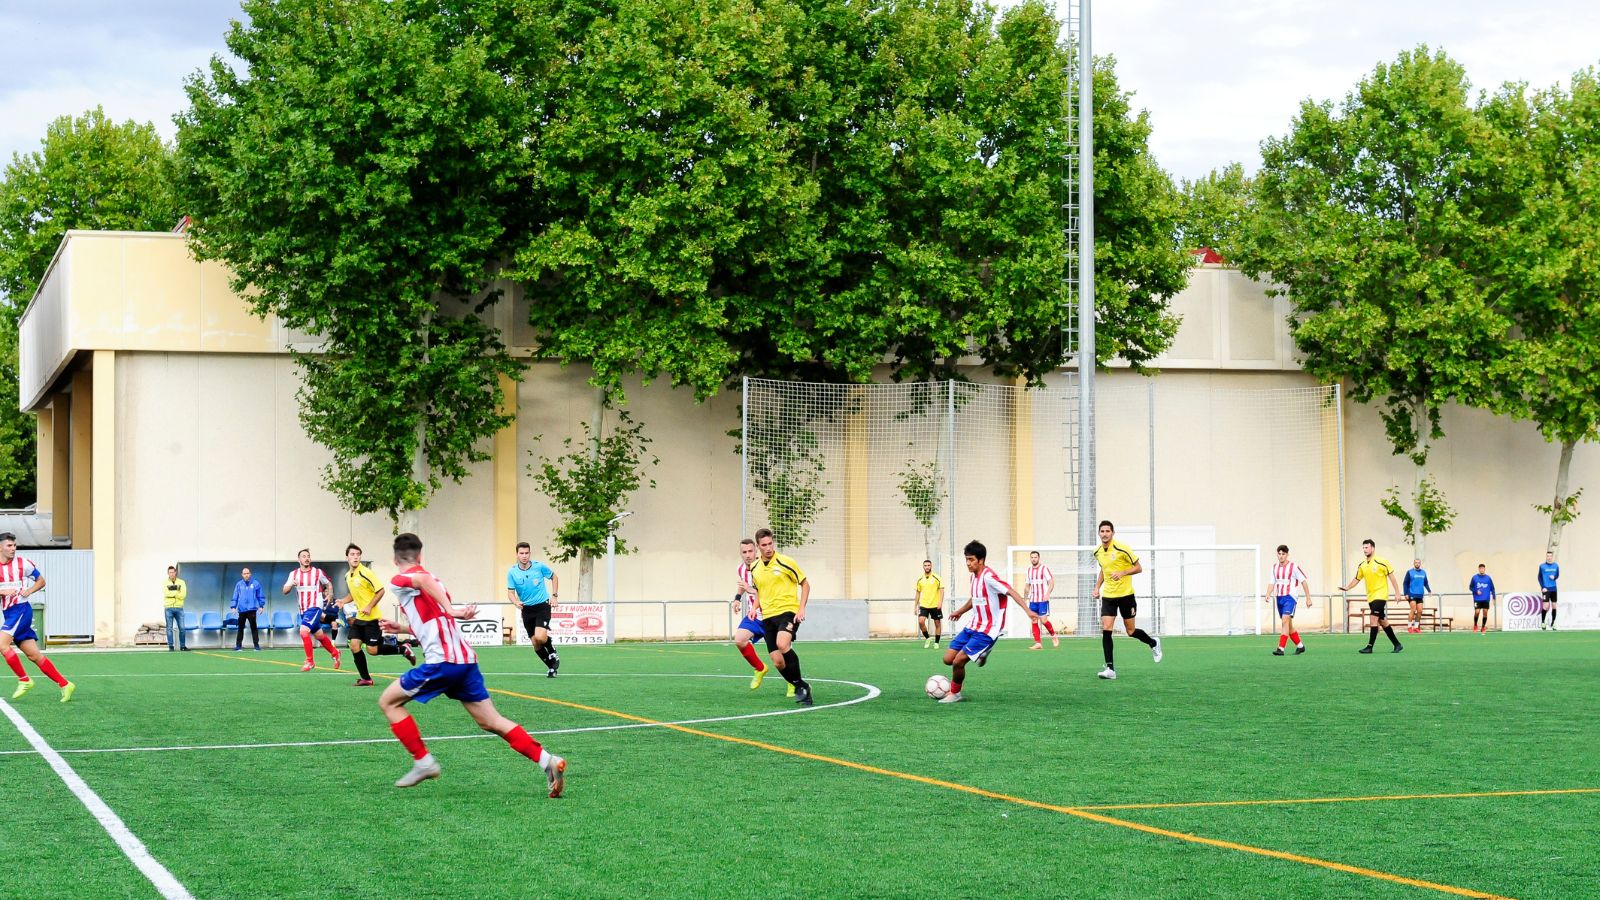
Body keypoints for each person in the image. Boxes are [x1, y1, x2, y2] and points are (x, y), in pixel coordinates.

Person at [377, 532, 566, 796]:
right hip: (465, 662)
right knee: (492, 721)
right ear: (420, 555)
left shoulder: (403, 580)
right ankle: (548, 761)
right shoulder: (438, 584)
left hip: (442, 663)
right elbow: (434, 621)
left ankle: (423, 761)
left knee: (388, 702)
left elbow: (421, 580)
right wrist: (403, 627)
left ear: (395, 559)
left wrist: (452, 610)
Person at [938, 540, 1035, 703]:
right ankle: (983, 653)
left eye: (971, 560)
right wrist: (960, 612)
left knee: (958, 662)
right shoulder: (974, 578)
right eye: (966, 559)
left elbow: (1011, 591)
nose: (968, 563)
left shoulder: (989, 577)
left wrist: (1028, 611)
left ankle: (955, 693)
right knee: (947, 659)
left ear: (981, 560)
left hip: (987, 630)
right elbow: (975, 599)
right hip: (973, 625)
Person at [0, 532, 75, 702]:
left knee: (2, 644)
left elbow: (41, 580)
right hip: (9, 613)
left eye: (14, 545)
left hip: (21, 610)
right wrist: (2, 591)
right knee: (34, 655)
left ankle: (24, 680)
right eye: (9, 546)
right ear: (0, 547)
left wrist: (28, 591)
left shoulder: (23, 564)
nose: (13, 549)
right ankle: (65, 684)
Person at [1091, 520, 1161, 680]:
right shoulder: (1098, 552)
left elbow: (1139, 567)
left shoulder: (1122, 548)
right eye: (1102, 531)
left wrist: (1122, 573)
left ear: (1113, 533)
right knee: (1106, 629)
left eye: (1108, 531)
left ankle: (1153, 643)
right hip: (1109, 596)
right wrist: (1097, 588)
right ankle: (1110, 669)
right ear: (1099, 534)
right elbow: (1104, 570)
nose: (1105, 534)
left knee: (1130, 631)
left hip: (1126, 596)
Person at [751, 528, 813, 706]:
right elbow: (759, 591)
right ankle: (801, 686)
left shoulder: (786, 562)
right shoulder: (754, 567)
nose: (768, 548)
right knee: (778, 662)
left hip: (788, 611)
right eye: (764, 545)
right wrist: (755, 608)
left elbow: (805, 584)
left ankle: (800, 687)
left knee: (782, 643)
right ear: (758, 546)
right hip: (768, 616)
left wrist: (801, 608)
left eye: (770, 543)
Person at [345, 542, 416, 687]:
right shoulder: (348, 576)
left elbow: (381, 590)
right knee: (354, 645)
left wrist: (370, 606)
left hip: (372, 618)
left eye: (358, 554)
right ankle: (366, 679)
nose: (355, 557)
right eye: (352, 554)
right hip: (360, 618)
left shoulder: (366, 572)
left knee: (372, 650)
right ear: (347, 557)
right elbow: (354, 594)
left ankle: (402, 648)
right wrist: (342, 601)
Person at [507, 542, 560, 677]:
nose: (524, 556)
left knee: (540, 637)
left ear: (530, 553)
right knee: (535, 643)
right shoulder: (512, 572)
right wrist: (515, 602)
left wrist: (554, 596)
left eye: (526, 553)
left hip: (542, 606)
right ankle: (551, 667)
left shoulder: (539, 567)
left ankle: (552, 648)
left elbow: (554, 577)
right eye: (521, 553)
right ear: (517, 554)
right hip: (527, 610)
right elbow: (510, 593)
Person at [1340, 539, 1403, 654]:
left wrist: (1397, 592)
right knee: (1383, 621)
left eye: (1367, 547)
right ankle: (1397, 644)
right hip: (1371, 597)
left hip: (1381, 595)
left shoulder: (1382, 561)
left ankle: (1369, 647)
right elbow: (1357, 579)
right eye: (1363, 548)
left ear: (1372, 548)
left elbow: (1392, 577)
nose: (1365, 550)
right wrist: (1348, 587)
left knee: (1373, 618)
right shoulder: (1362, 565)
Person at [284, 548, 340, 672]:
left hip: (315, 607)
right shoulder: (293, 574)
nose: (306, 558)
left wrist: (330, 595)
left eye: (308, 556)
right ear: (299, 560)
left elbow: (328, 583)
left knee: (304, 632)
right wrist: (292, 584)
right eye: (303, 556)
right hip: (303, 610)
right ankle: (335, 653)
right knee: (319, 635)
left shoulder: (317, 572)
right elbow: (285, 591)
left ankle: (309, 661)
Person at [730, 539, 769, 690]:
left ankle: (793, 684)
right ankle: (760, 668)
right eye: (744, 552)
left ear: (756, 552)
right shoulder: (740, 569)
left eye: (750, 551)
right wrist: (737, 599)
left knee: (780, 657)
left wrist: (750, 589)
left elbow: (765, 591)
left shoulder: (765, 569)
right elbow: (742, 585)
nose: (748, 555)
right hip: (754, 616)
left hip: (772, 615)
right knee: (739, 640)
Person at [1265, 544, 1310, 655]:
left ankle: (1281, 648)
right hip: (1279, 597)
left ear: (1287, 555)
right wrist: (1268, 594)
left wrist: (1308, 598)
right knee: (1288, 625)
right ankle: (1300, 646)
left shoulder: (1294, 567)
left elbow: (1303, 581)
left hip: (1290, 597)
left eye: (1283, 554)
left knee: (1285, 620)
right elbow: (1272, 582)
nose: (1281, 556)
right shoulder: (1274, 567)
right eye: (1279, 554)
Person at [1025, 550, 1058, 650]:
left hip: (1042, 599)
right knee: (1034, 620)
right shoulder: (1029, 570)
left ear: (1039, 558)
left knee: (1043, 620)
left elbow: (1051, 582)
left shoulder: (1044, 569)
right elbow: (1027, 584)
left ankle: (1053, 635)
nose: (1033, 559)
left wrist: (1048, 593)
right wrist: (1026, 596)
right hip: (1033, 600)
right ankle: (1038, 643)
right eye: (1032, 557)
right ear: (1030, 558)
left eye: (1035, 557)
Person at [231, 567, 266, 650]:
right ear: (242, 575)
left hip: (252, 609)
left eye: (247, 573)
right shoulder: (239, 584)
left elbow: (260, 595)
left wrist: (261, 606)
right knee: (240, 628)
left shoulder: (256, 583)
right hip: (242, 610)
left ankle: (256, 645)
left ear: (250, 574)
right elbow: (235, 596)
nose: (246, 575)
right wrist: (233, 607)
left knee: (254, 627)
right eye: (244, 573)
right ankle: (238, 646)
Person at [914, 560, 944, 649]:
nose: (927, 567)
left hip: (935, 604)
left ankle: (937, 642)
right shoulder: (920, 579)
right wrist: (915, 606)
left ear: (931, 566)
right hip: (924, 605)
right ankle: (927, 638)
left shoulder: (936, 577)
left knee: (937, 623)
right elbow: (917, 593)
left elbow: (942, 590)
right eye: (925, 565)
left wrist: (940, 602)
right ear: (923, 567)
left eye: (928, 565)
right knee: (921, 621)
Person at [163, 565, 189, 651]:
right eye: (170, 572)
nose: (172, 574)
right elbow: (166, 593)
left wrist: (173, 592)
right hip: (168, 608)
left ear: (175, 572)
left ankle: (182, 646)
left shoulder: (182, 582)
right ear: (168, 573)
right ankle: (171, 646)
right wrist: (177, 591)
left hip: (179, 608)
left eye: (173, 572)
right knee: (169, 628)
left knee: (182, 628)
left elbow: (183, 595)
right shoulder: (165, 583)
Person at [1401, 559, 1431, 634]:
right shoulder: (1410, 572)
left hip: (1420, 595)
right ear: (1414, 563)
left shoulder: (1423, 572)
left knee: (1420, 611)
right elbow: (1405, 583)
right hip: (1412, 594)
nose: (1417, 564)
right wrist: (1406, 593)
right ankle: (1409, 627)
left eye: (1418, 563)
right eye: (1416, 563)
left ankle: (1416, 627)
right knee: (1413, 610)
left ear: (1420, 564)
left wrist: (1429, 590)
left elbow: (1426, 583)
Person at [1468, 564, 1495, 634]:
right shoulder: (1474, 578)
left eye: (1483, 568)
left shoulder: (1488, 578)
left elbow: (1493, 588)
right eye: (1480, 568)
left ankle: (1483, 627)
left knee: (1485, 613)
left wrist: (1494, 598)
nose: (1482, 569)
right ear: (1479, 569)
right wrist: (1476, 591)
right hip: (1477, 598)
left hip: (1486, 599)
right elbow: (1470, 587)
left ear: (1484, 569)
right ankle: (1475, 625)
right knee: (1477, 612)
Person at [1537, 551, 1560, 630]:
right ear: (1546, 557)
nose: (1549, 557)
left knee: (1554, 606)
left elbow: (1557, 575)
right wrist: (1542, 587)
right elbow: (1539, 577)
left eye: (1550, 556)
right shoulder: (1542, 566)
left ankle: (1553, 623)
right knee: (1545, 606)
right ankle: (1543, 622)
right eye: (1548, 556)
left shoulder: (1556, 565)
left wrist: (1554, 577)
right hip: (1546, 589)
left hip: (1554, 588)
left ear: (1552, 557)